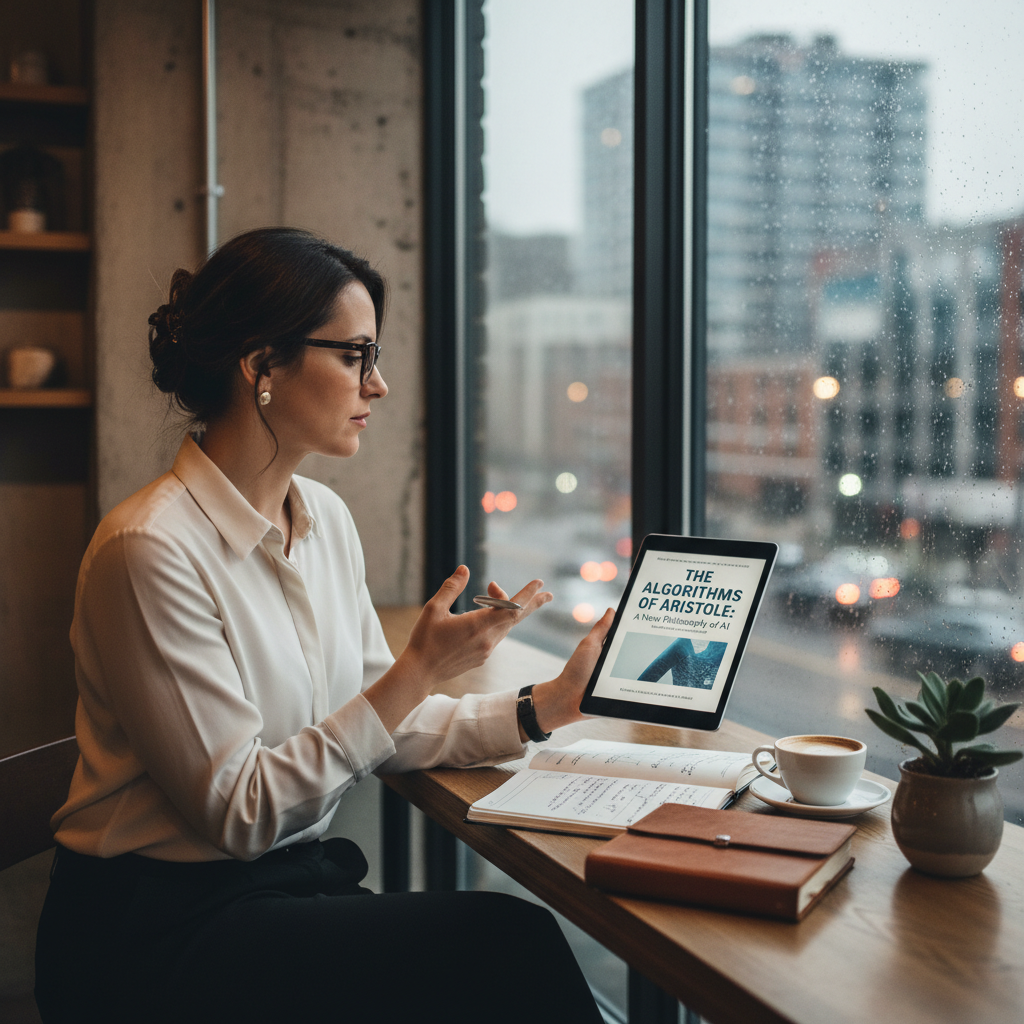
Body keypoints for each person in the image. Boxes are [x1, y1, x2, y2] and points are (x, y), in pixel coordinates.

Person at [34, 227, 612, 1024]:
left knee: (497, 952)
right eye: (355, 356)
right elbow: (241, 813)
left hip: (277, 893)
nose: (379, 385)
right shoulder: (148, 549)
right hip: (156, 929)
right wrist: (416, 671)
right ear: (262, 364)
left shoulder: (325, 519)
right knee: (508, 946)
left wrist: (541, 707)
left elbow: (370, 721)